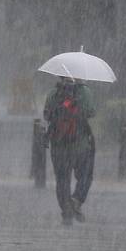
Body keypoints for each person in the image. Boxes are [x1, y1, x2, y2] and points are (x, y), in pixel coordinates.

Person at [43, 77, 96, 225]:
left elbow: (47, 115)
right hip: (81, 144)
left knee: (62, 179)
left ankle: (66, 209)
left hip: (59, 144)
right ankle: (76, 200)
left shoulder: (53, 93)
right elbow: (91, 112)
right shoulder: (85, 92)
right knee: (85, 175)